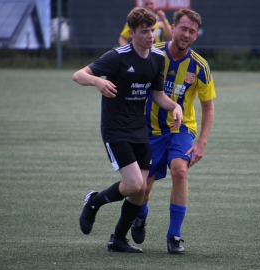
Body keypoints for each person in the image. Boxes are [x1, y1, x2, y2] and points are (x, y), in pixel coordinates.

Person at [72, 7, 183, 253]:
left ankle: (118, 240)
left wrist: (175, 106)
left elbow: (158, 96)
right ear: (131, 33)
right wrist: (97, 80)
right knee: (133, 185)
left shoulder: (157, 58)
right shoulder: (117, 57)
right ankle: (94, 201)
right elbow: (78, 75)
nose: (150, 36)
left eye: (152, 30)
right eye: (144, 32)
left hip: (138, 130)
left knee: (141, 192)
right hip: (115, 130)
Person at [131, 8, 216, 254]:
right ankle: (139, 216)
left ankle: (174, 236)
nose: (187, 34)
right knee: (142, 192)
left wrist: (201, 143)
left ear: (196, 36)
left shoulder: (200, 66)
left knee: (180, 172)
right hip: (149, 130)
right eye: (184, 28)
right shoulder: (151, 53)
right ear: (173, 27)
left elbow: (208, 108)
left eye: (192, 31)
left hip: (182, 130)